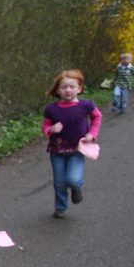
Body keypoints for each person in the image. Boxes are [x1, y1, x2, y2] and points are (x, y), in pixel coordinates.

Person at [42, 69, 102, 218]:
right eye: (64, 87)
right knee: (59, 182)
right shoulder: (51, 109)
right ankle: (60, 208)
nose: (68, 90)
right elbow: (45, 127)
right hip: (57, 151)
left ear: (79, 89)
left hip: (77, 149)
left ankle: (76, 188)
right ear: (58, 90)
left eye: (72, 87)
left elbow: (97, 117)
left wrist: (92, 134)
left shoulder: (86, 105)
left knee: (73, 179)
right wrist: (52, 129)